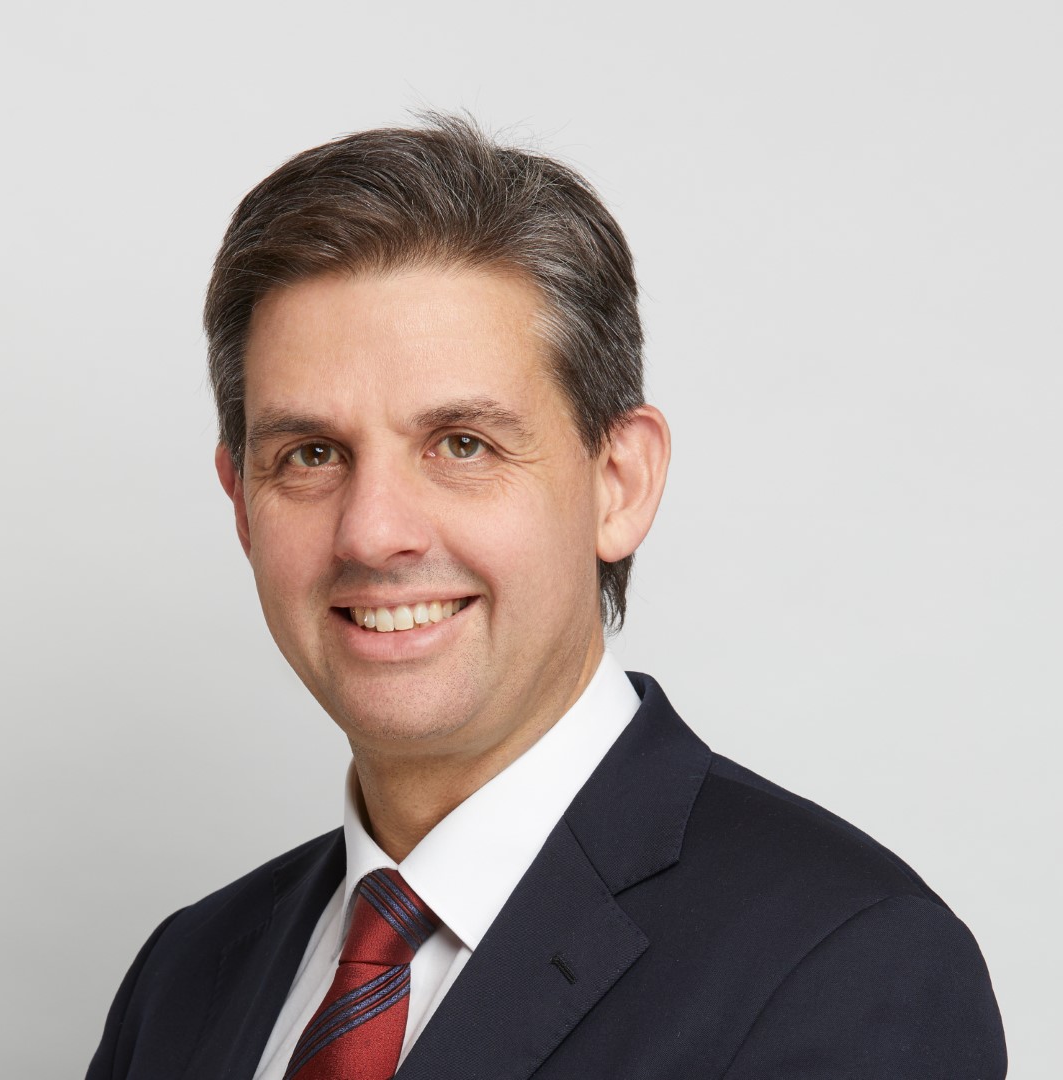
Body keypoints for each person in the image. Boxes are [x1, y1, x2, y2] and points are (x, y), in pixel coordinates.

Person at [86, 114, 1006, 1079]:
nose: (372, 532)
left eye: (462, 445)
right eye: (311, 454)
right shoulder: (186, 979)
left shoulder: (847, 967)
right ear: (241, 504)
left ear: (619, 484)